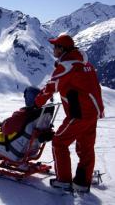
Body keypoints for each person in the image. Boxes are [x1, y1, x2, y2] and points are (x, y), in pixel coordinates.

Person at [34, 34, 105, 192]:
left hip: (79, 113)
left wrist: (37, 102)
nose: (53, 49)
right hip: (92, 111)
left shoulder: (68, 65)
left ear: (62, 48)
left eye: (56, 46)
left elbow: (52, 86)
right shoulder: (85, 62)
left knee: (59, 142)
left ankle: (63, 180)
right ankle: (82, 182)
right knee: (86, 147)